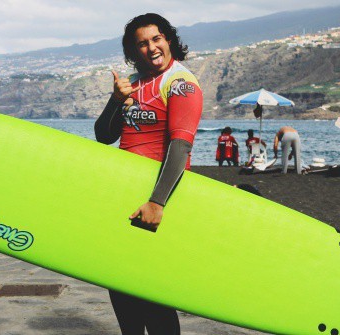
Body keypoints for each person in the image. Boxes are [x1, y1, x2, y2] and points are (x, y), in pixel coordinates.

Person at [94, 13, 203, 335]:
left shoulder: (180, 83)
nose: (151, 47)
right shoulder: (135, 82)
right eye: (142, 43)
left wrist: (157, 202)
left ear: (169, 40)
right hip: (125, 194)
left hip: (157, 195)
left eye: (156, 39)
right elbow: (104, 135)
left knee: (152, 292)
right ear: (133, 50)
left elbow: (180, 148)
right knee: (119, 281)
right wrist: (116, 100)